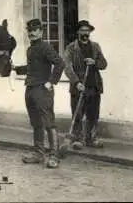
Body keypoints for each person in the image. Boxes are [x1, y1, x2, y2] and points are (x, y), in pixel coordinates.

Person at [13, 19, 65, 168]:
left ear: (41, 31)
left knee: (48, 122)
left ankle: (54, 155)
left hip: (42, 90)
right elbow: (32, 68)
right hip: (30, 88)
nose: (32, 33)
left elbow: (60, 63)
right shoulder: (31, 49)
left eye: (35, 30)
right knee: (36, 123)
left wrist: (52, 81)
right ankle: (39, 153)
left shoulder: (45, 47)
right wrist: (15, 68)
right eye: (29, 30)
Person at [63, 20, 108, 149]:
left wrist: (94, 62)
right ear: (78, 32)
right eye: (82, 30)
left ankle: (91, 139)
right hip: (79, 87)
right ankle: (78, 139)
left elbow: (104, 64)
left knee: (93, 114)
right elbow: (67, 67)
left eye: (87, 31)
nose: (85, 33)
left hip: (94, 85)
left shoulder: (95, 46)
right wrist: (76, 82)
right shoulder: (71, 48)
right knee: (78, 114)